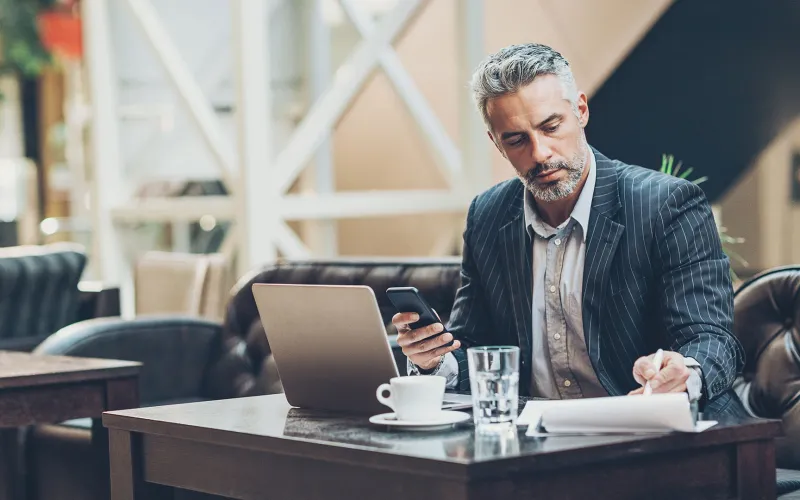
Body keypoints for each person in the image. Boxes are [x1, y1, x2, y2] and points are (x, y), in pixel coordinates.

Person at [392, 43, 745, 416]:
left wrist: (684, 372)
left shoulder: (667, 205)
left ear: (581, 110)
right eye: (516, 139)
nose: (540, 153)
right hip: (536, 437)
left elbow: (712, 339)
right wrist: (435, 360)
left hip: (649, 426)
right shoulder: (488, 216)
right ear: (496, 143)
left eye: (551, 127)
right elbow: (474, 348)